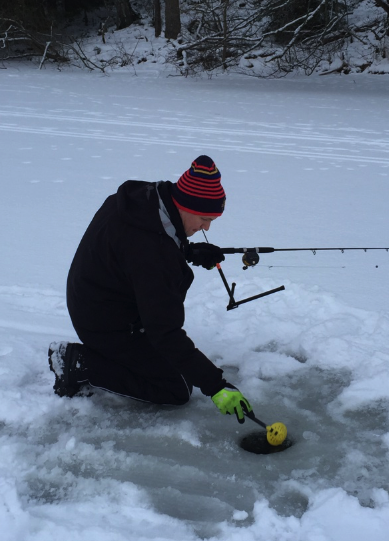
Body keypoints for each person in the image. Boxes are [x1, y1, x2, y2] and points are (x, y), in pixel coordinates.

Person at [48, 155, 253, 424]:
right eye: (204, 218)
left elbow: (137, 251)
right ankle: (79, 363)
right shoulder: (151, 252)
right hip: (104, 322)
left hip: (96, 299)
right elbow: (164, 332)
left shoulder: (145, 202)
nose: (206, 227)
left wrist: (187, 251)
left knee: (172, 367)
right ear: (184, 204)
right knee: (176, 388)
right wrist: (215, 386)